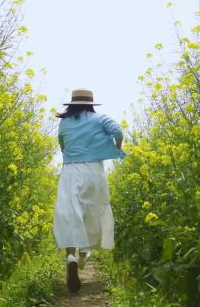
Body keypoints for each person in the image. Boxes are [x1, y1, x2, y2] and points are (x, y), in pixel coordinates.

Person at [52, 88, 125, 293]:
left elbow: (62, 146)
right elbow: (118, 132)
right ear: (91, 104)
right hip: (93, 171)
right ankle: (84, 256)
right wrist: (115, 147)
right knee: (91, 211)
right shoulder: (100, 118)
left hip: (70, 171)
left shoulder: (64, 122)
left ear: (72, 105)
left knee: (70, 213)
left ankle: (71, 255)